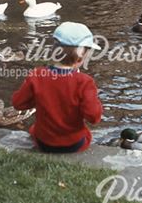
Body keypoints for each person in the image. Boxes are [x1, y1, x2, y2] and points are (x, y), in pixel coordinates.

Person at [11, 21, 103, 153]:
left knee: (34, 128)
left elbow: (18, 104)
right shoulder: (84, 82)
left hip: (44, 142)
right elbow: (94, 118)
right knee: (86, 134)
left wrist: (37, 97)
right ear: (81, 58)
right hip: (74, 143)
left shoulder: (37, 75)